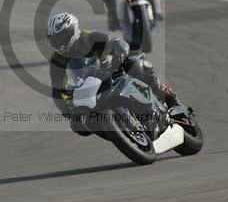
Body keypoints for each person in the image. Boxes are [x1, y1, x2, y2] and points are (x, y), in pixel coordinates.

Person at [47, 12, 177, 136]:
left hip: (111, 70)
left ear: (73, 31)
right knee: (78, 125)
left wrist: (120, 52)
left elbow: (116, 42)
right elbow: (57, 89)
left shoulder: (88, 37)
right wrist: (68, 112)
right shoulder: (56, 61)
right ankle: (118, 132)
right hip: (89, 90)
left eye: (61, 37)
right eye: (54, 39)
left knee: (134, 63)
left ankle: (160, 90)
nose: (59, 42)